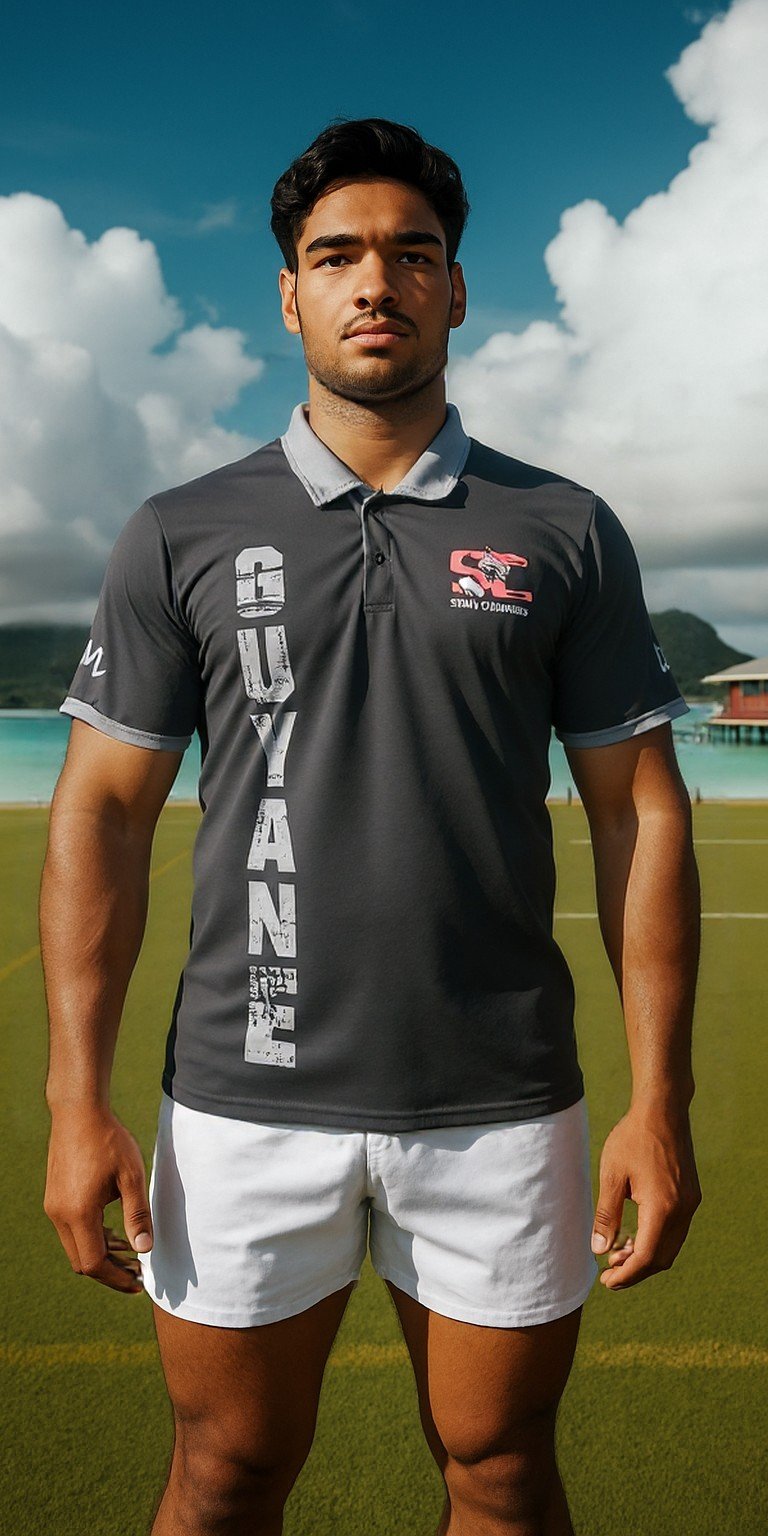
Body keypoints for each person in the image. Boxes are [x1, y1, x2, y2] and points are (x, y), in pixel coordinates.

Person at [40, 117, 702, 1536]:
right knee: (224, 1475)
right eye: (336, 255)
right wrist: (73, 1100)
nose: (375, 281)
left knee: (501, 1473)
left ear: (455, 290)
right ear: (290, 295)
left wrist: (660, 1101)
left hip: (500, 1106)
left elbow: (639, 807)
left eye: (413, 253)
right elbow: (100, 811)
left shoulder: (564, 527)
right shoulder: (180, 530)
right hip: (242, 1102)